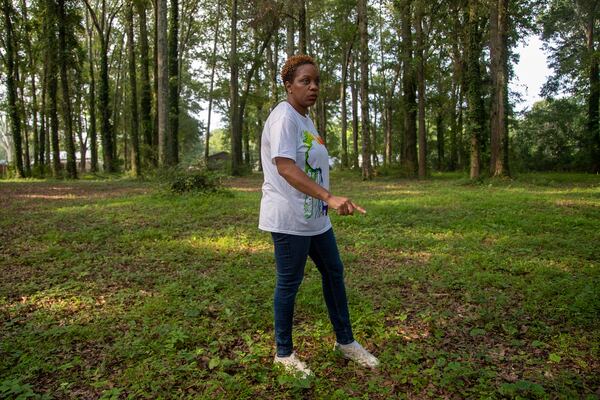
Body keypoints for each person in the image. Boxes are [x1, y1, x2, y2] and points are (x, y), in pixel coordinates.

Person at [258, 54, 379, 378]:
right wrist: (328, 196)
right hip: (288, 218)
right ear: (288, 86)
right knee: (289, 284)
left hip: (315, 217)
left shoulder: (305, 119)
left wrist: (328, 202)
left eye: (316, 82)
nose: (313, 87)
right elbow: (285, 167)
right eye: (304, 81)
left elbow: (311, 165)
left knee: (333, 272)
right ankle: (284, 354)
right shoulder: (285, 118)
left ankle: (345, 342)